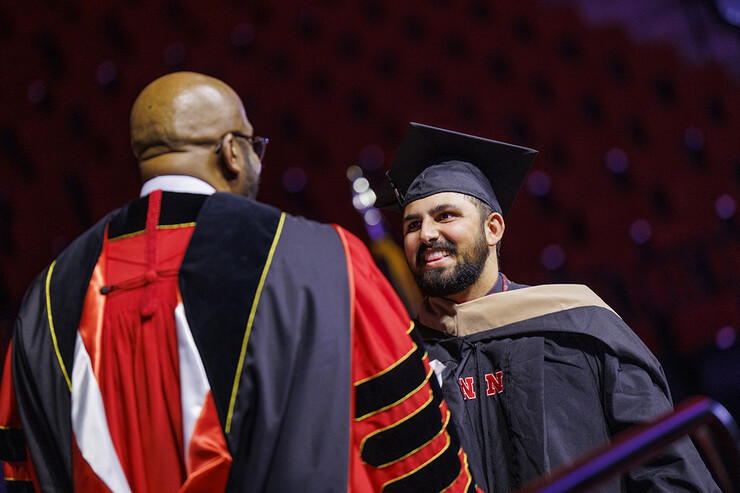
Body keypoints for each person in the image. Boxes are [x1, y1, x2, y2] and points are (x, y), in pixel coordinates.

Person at [0, 73, 479, 492]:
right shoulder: (320, 260)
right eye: (256, 148)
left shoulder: (46, 297)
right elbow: (403, 444)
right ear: (233, 153)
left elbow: (25, 466)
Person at [375, 122, 720, 492]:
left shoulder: (578, 326)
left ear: (493, 229)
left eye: (445, 216)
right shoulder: (408, 365)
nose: (425, 234)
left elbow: (665, 468)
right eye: (413, 224)